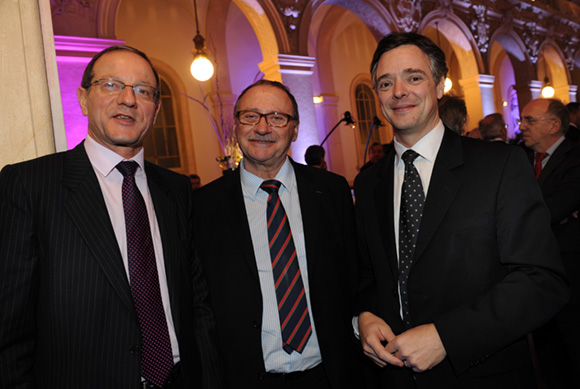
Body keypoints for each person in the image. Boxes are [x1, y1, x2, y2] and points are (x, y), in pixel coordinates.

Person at [0, 45, 223, 388]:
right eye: (111, 85)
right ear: (84, 98)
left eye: (143, 91)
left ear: (156, 107)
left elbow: (198, 303)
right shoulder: (31, 185)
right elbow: (9, 330)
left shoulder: (176, 189)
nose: (128, 100)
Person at [354, 32, 568, 388]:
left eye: (414, 77)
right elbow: (366, 274)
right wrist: (363, 315)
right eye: (385, 83)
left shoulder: (498, 166)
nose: (399, 91)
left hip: (481, 374)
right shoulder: (368, 183)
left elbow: (542, 280)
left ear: (439, 86)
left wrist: (446, 337)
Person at [193, 80, 362, 388]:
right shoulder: (204, 206)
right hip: (247, 379)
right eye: (250, 116)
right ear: (236, 124)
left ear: (294, 129)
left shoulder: (332, 191)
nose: (262, 127)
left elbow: (355, 275)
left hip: (329, 375)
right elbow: (200, 307)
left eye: (277, 117)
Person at [519, 98, 580, 387]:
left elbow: (555, 208)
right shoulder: (518, 158)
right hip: (533, 277)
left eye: (530, 120)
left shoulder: (576, 157)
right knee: (546, 357)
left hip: (570, 274)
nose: (521, 127)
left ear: (554, 125)